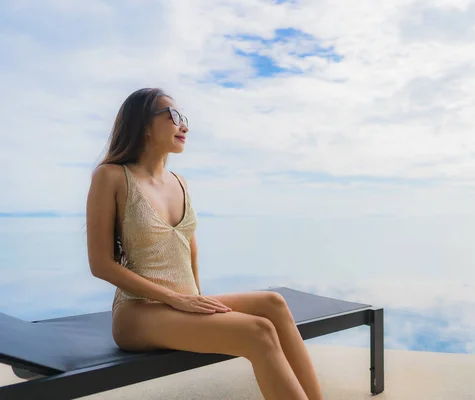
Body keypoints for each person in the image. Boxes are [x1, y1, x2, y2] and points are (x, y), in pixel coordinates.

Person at [85, 88, 323, 400]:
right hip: (138, 312)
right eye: (173, 116)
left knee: (273, 304)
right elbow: (100, 264)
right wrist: (175, 299)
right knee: (258, 331)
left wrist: (194, 298)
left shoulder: (180, 182)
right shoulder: (111, 176)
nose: (184, 125)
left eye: (184, 118)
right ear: (143, 124)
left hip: (182, 303)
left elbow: (189, 247)